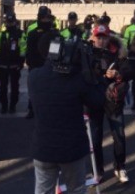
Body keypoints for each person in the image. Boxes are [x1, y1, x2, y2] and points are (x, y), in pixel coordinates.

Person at [28, 28, 105, 194]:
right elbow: (98, 101)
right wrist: (92, 74)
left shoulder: (33, 77)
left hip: (43, 147)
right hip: (72, 149)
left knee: (42, 190)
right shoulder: (76, 80)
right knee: (76, 189)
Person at [88, 24, 133, 184]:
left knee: (119, 135)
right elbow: (83, 73)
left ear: (108, 37)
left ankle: (120, 166)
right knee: (95, 137)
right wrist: (100, 73)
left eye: (103, 37)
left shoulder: (118, 53)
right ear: (93, 37)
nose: (100, 40)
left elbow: (130, 71)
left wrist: (118, 73)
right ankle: (97, 170)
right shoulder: (88, 52)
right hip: (94, 99)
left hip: (113, 99)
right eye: (98, 37)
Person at [26, 8, 59, 119]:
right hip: (36, 65)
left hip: (50, 65)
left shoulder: (54, 33)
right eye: (44, 18)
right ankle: (32, 109)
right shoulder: (32, 33)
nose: (46, 20)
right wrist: (30, 63)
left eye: (48, 18)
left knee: (50, 90)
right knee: (34, 89)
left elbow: (55, 51)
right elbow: (29, 50)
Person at [0, 12, 26, 114]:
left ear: (15, 22)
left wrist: (21, 61)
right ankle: (4, 105)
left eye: (11, 22)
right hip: (3, 64)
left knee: (15, 87)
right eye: (8, 22)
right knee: (3, 87)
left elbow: (23, 48)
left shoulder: (20, 33)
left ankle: (12, 105)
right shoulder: (1, 34)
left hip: (14, 65)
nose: (9, 24)